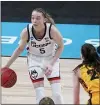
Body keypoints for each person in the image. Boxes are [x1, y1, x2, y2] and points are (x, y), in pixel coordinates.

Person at [3, 8, 64, 104]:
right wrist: (6, 66)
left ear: (44, 20)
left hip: (51, 59)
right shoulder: (26, 32)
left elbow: (61, 47)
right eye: (32, 18)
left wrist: (51, 64)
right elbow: (19, 49)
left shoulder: (52, 30)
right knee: (40, 94)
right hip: (34, 60)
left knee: (57, 95)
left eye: (38, 18)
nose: (34, 21)